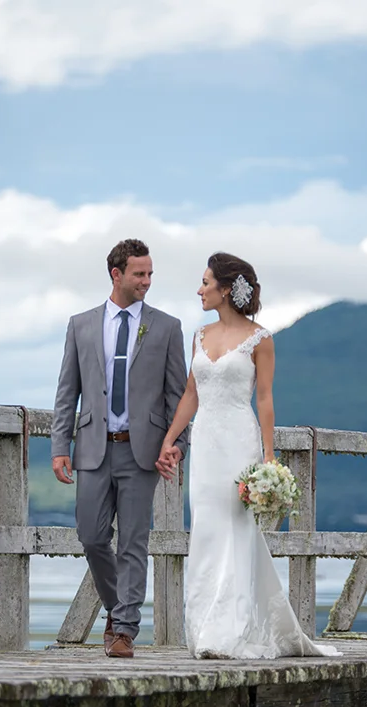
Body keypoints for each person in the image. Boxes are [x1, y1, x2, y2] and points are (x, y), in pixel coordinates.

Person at [159, 253, 339, 660]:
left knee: (237, 529)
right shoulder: (199, 336)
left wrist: (269, 456)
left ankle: (230, 631)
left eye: (206, 282)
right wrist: (170, 440)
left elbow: (265, 399)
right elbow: (191, 394)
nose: (200, 290)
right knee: (207, 529)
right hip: (206, 443)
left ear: (226, 289)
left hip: (240, 442)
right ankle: (204, 628)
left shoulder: (261, 339)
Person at [50, 238, 189, 660]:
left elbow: (177, 395)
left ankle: (125, 629)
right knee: (91, 537)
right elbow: (67, 391)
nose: (147, 281)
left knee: (133, 542)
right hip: (93, 447)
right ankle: (117, 607)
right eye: (139, 274)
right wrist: (60, 445)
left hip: (141, 451)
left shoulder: (167, 327)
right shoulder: (81, 325)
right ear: (116, 274)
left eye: (150, 274)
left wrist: (177, 444)